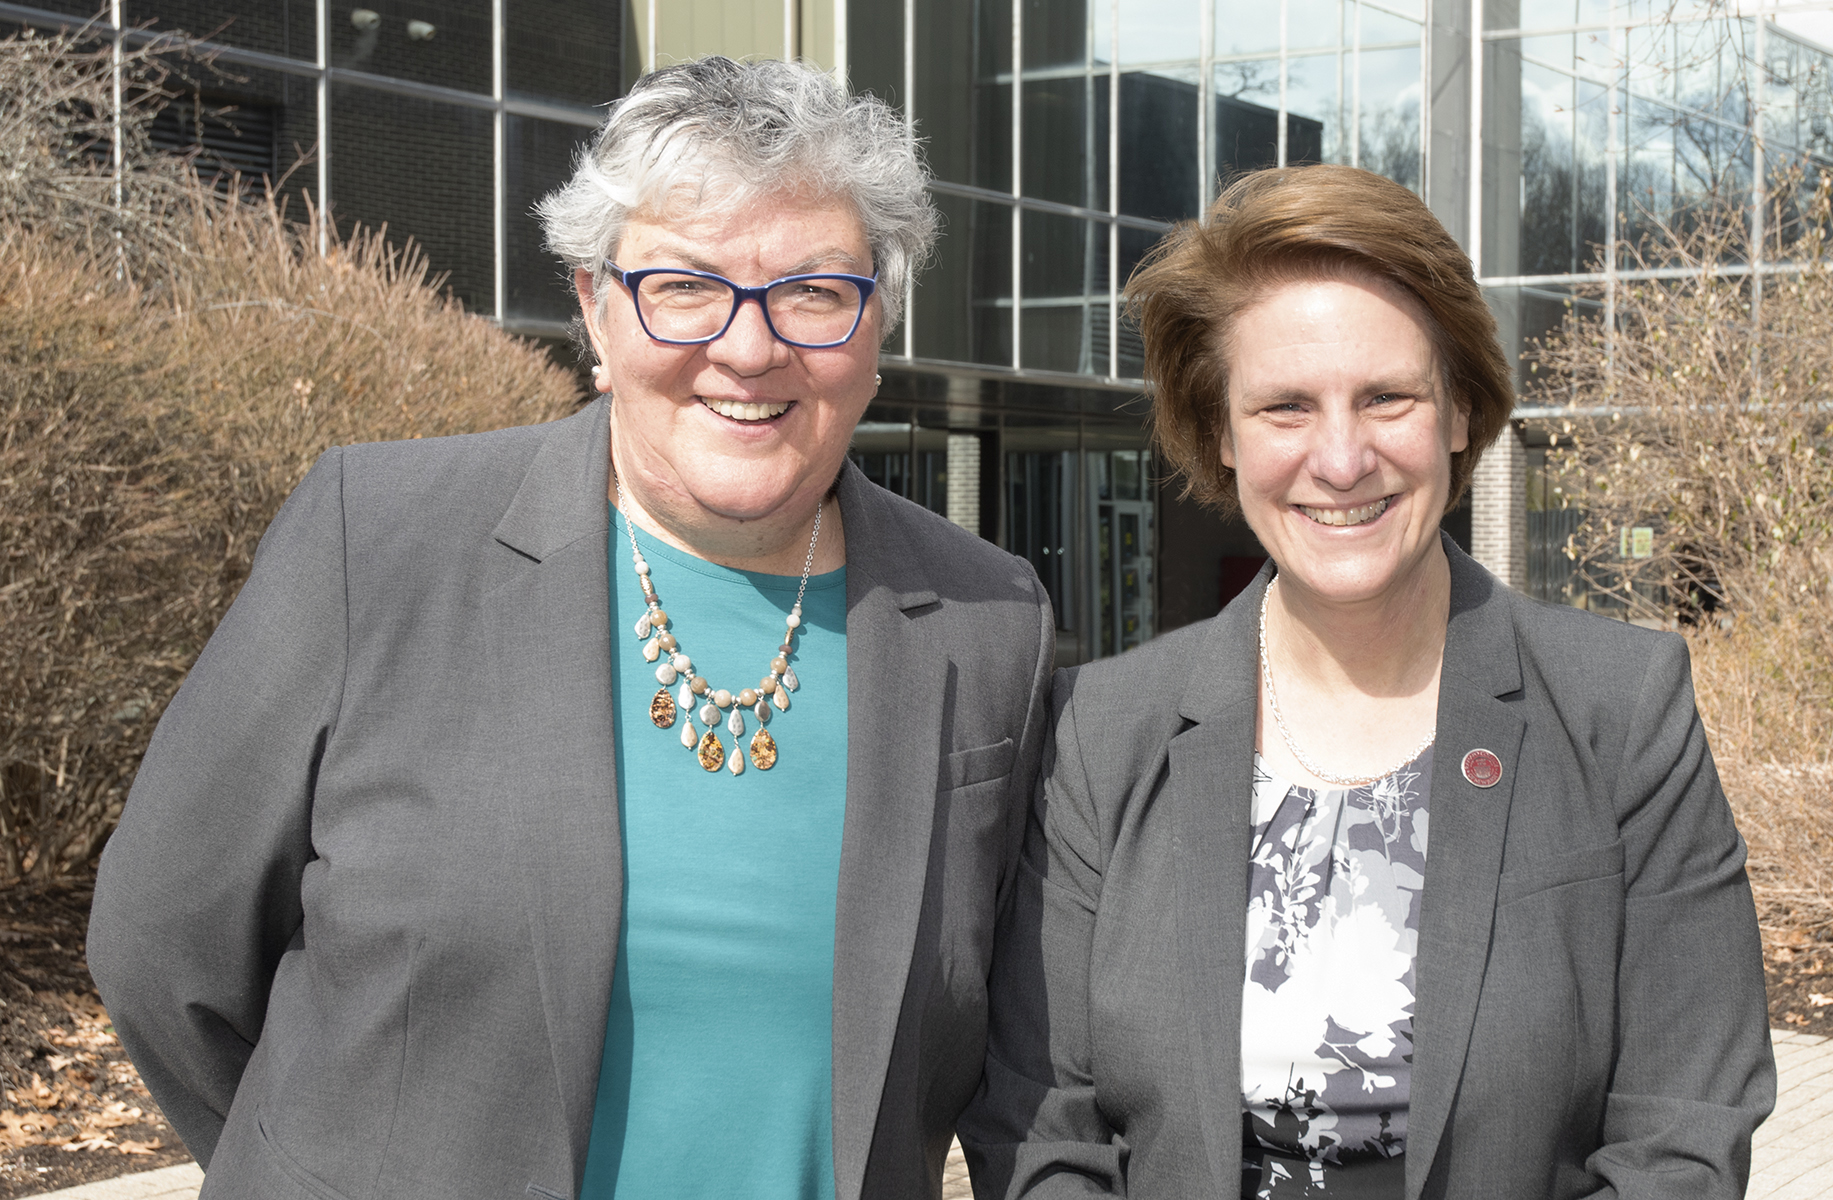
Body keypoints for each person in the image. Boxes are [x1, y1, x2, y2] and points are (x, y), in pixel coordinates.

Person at [88, 56, 1055, 1200]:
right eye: (682, 286)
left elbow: (1019, 1047)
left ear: (875, 324)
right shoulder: (377, 541)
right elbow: (163, 948)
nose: (750, 348)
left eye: (813, 292)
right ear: (596, 309)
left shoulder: (987, 620)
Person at [958, 164, 1774, 1199]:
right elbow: (1041, 1131)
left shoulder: (1620, 708)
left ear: (1460, 412)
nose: (1341, 460)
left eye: (1387, 397)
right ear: (1223, 434)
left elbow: (1682, 1133)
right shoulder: (1102, 732)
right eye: (1285, 407)